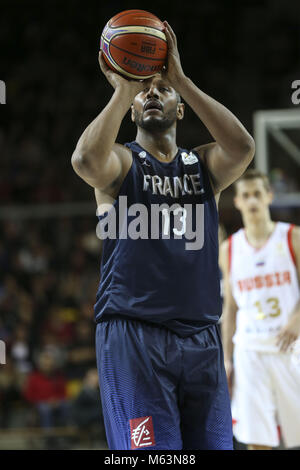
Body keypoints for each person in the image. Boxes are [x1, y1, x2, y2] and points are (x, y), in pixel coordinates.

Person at [71, 21, 255, 450]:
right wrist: (121, 90)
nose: (152, 93)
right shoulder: (121, 164)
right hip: (135, 335)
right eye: (143, 92)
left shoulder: (203, 166)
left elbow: (243, 148)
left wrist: (181, 80)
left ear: (181, 109)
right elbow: (84, 159)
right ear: (132, 112)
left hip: (202, 336)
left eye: (162, 91)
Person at [220, 169, 300, 450]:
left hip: (290, 347)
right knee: (257, 440)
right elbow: (230, 308)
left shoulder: (292, 237)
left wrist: (297, 319)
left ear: (269, 196)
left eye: (257, 194)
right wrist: (227, 359)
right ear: (238, 202)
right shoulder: (229, 249)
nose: (252, 200)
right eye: (245, 195)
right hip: (249, 350)